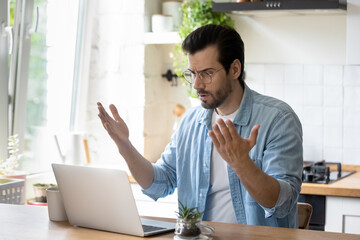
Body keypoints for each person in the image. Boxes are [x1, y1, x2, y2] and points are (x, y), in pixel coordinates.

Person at [97, 24, 303, 228]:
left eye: (206, 73)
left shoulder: (278, 119)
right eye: (192, 74)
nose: (196, 84)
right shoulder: (190, 122)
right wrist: (125, 146)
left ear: (235, 69)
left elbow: (282, 204)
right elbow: (160, 183)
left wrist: (242, 164)